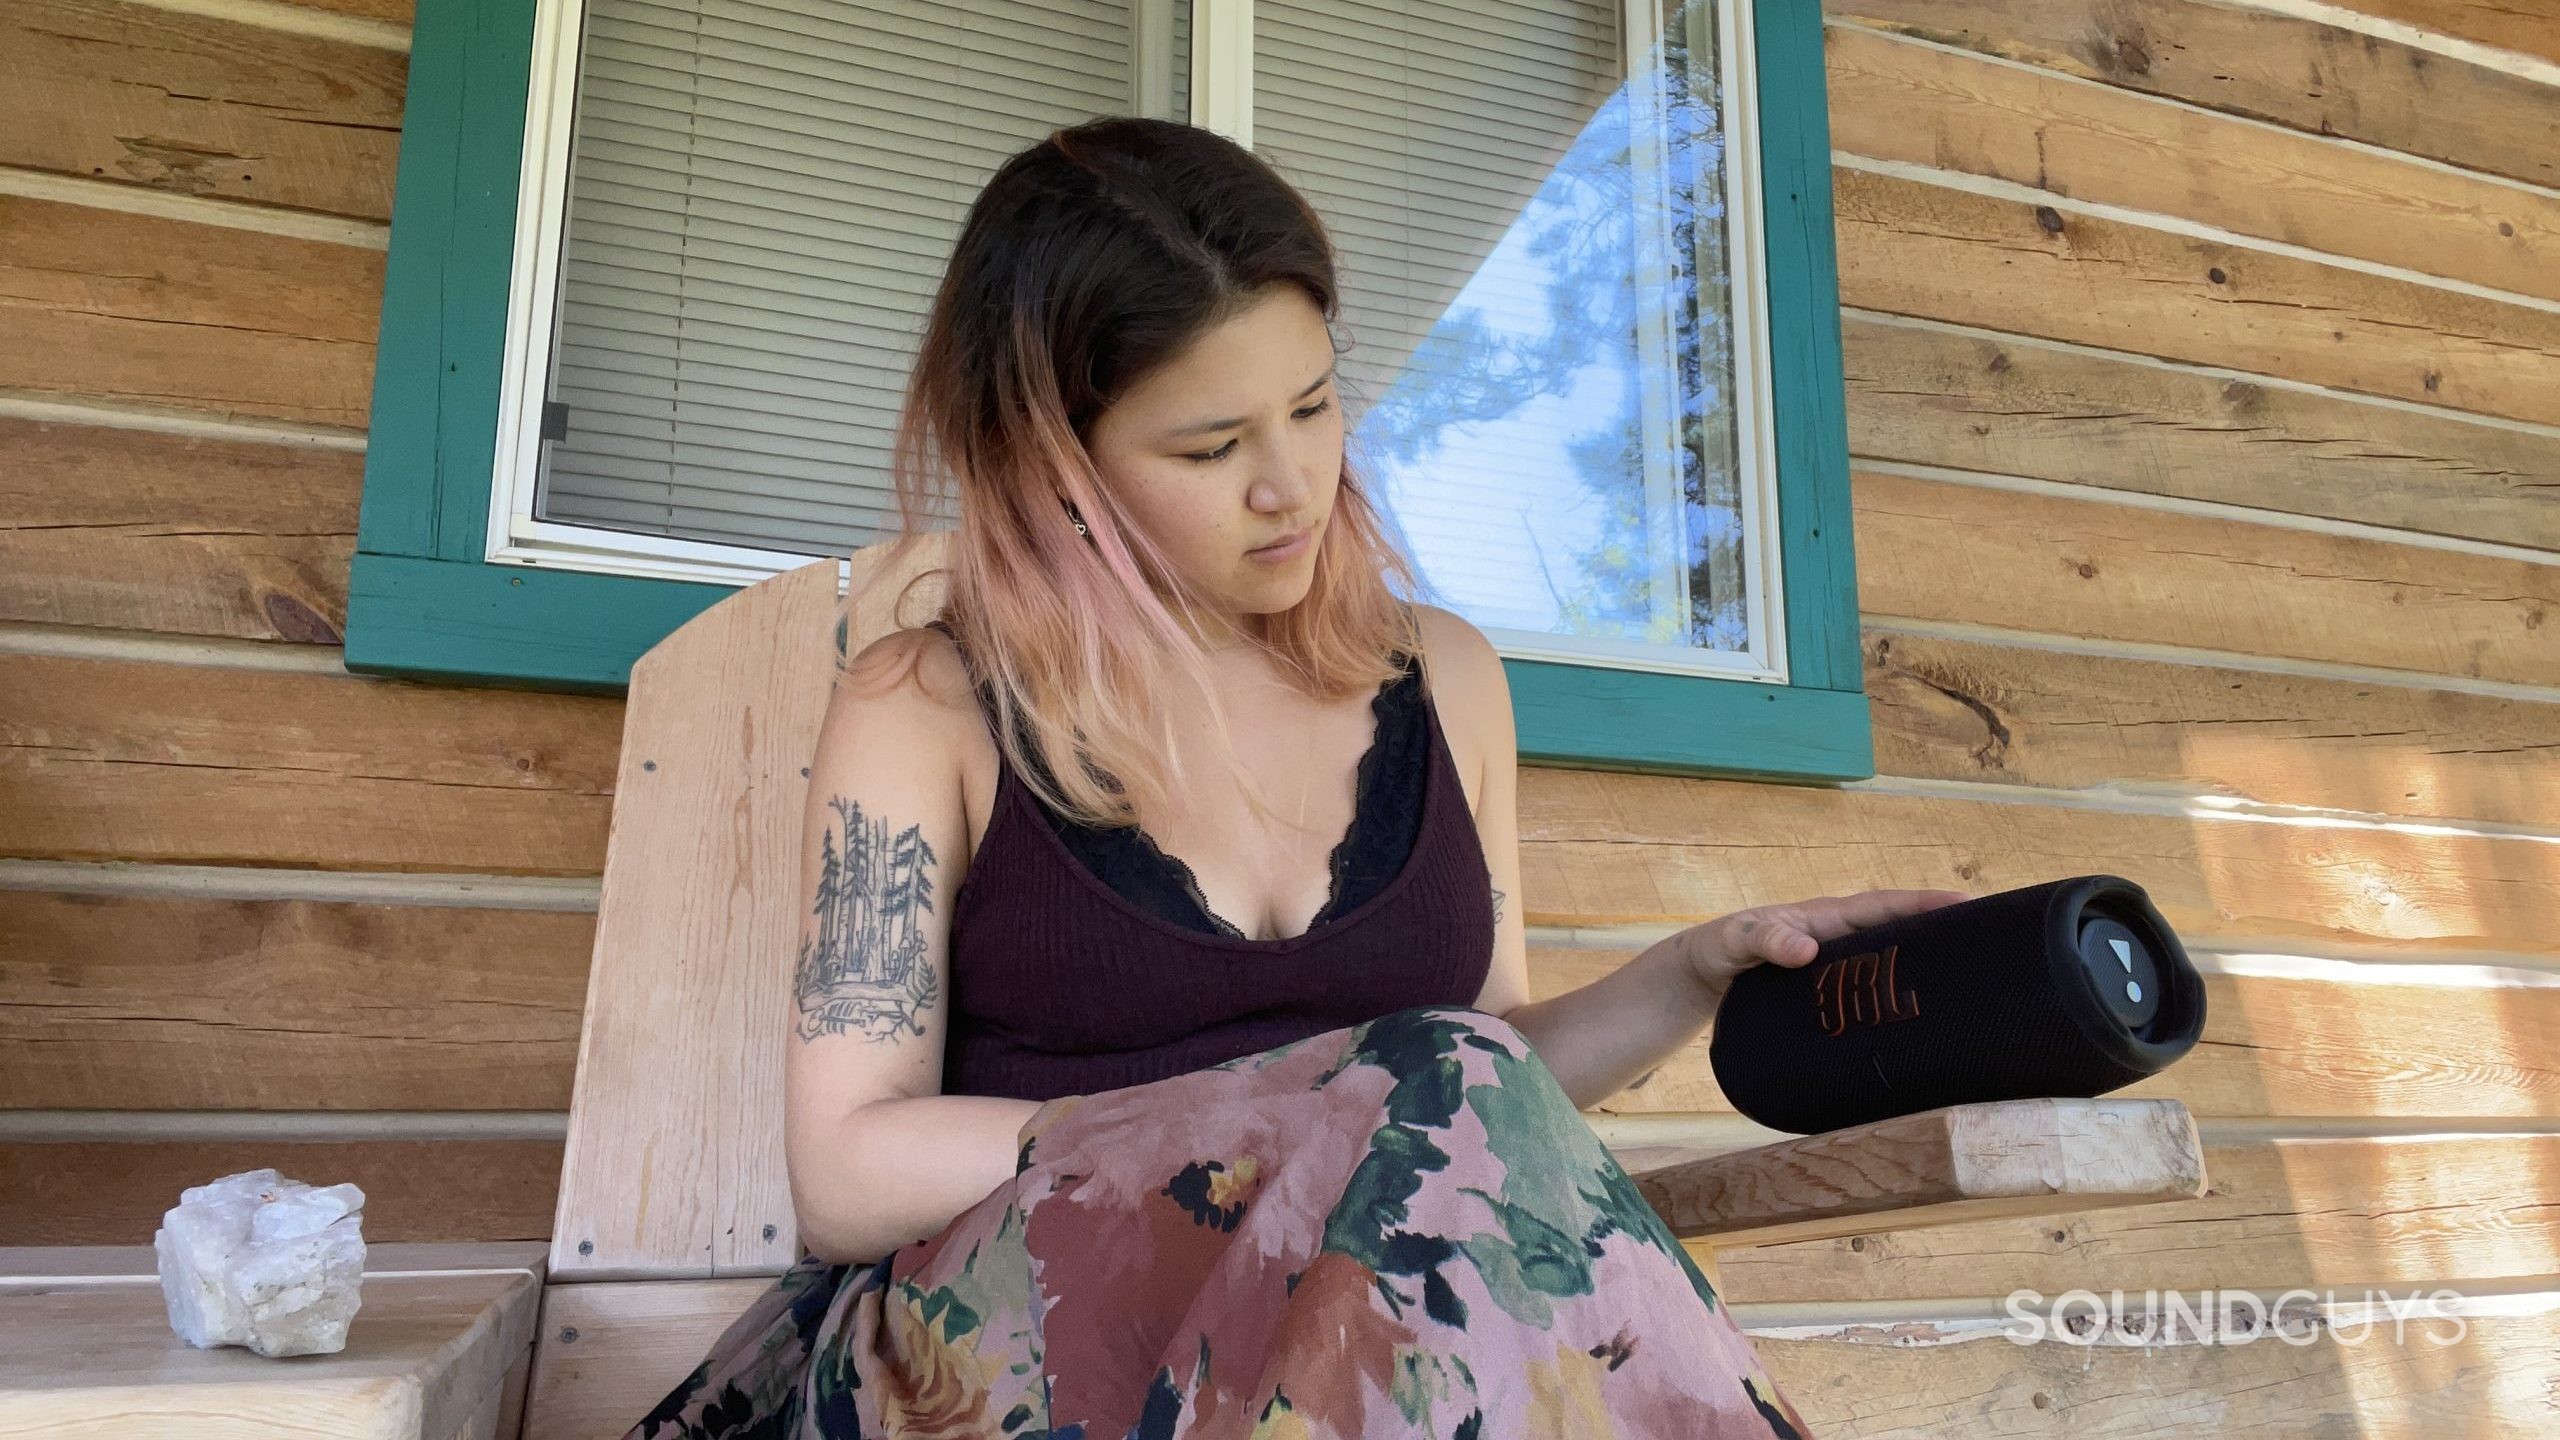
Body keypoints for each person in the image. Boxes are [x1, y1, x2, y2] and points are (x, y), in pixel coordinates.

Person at [628, 115, 1965, 1440]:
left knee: (1446, 1099)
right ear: (1053, 464)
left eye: (1316, 406)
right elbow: (845, 1168)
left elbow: (1472, 1085)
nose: (1292, 484)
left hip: (1364, 1360)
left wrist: (1688, 974)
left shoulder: (1446, 680)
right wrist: (1250, 1119)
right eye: (1211, 448)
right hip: (992, 1348)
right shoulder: (927, 707)